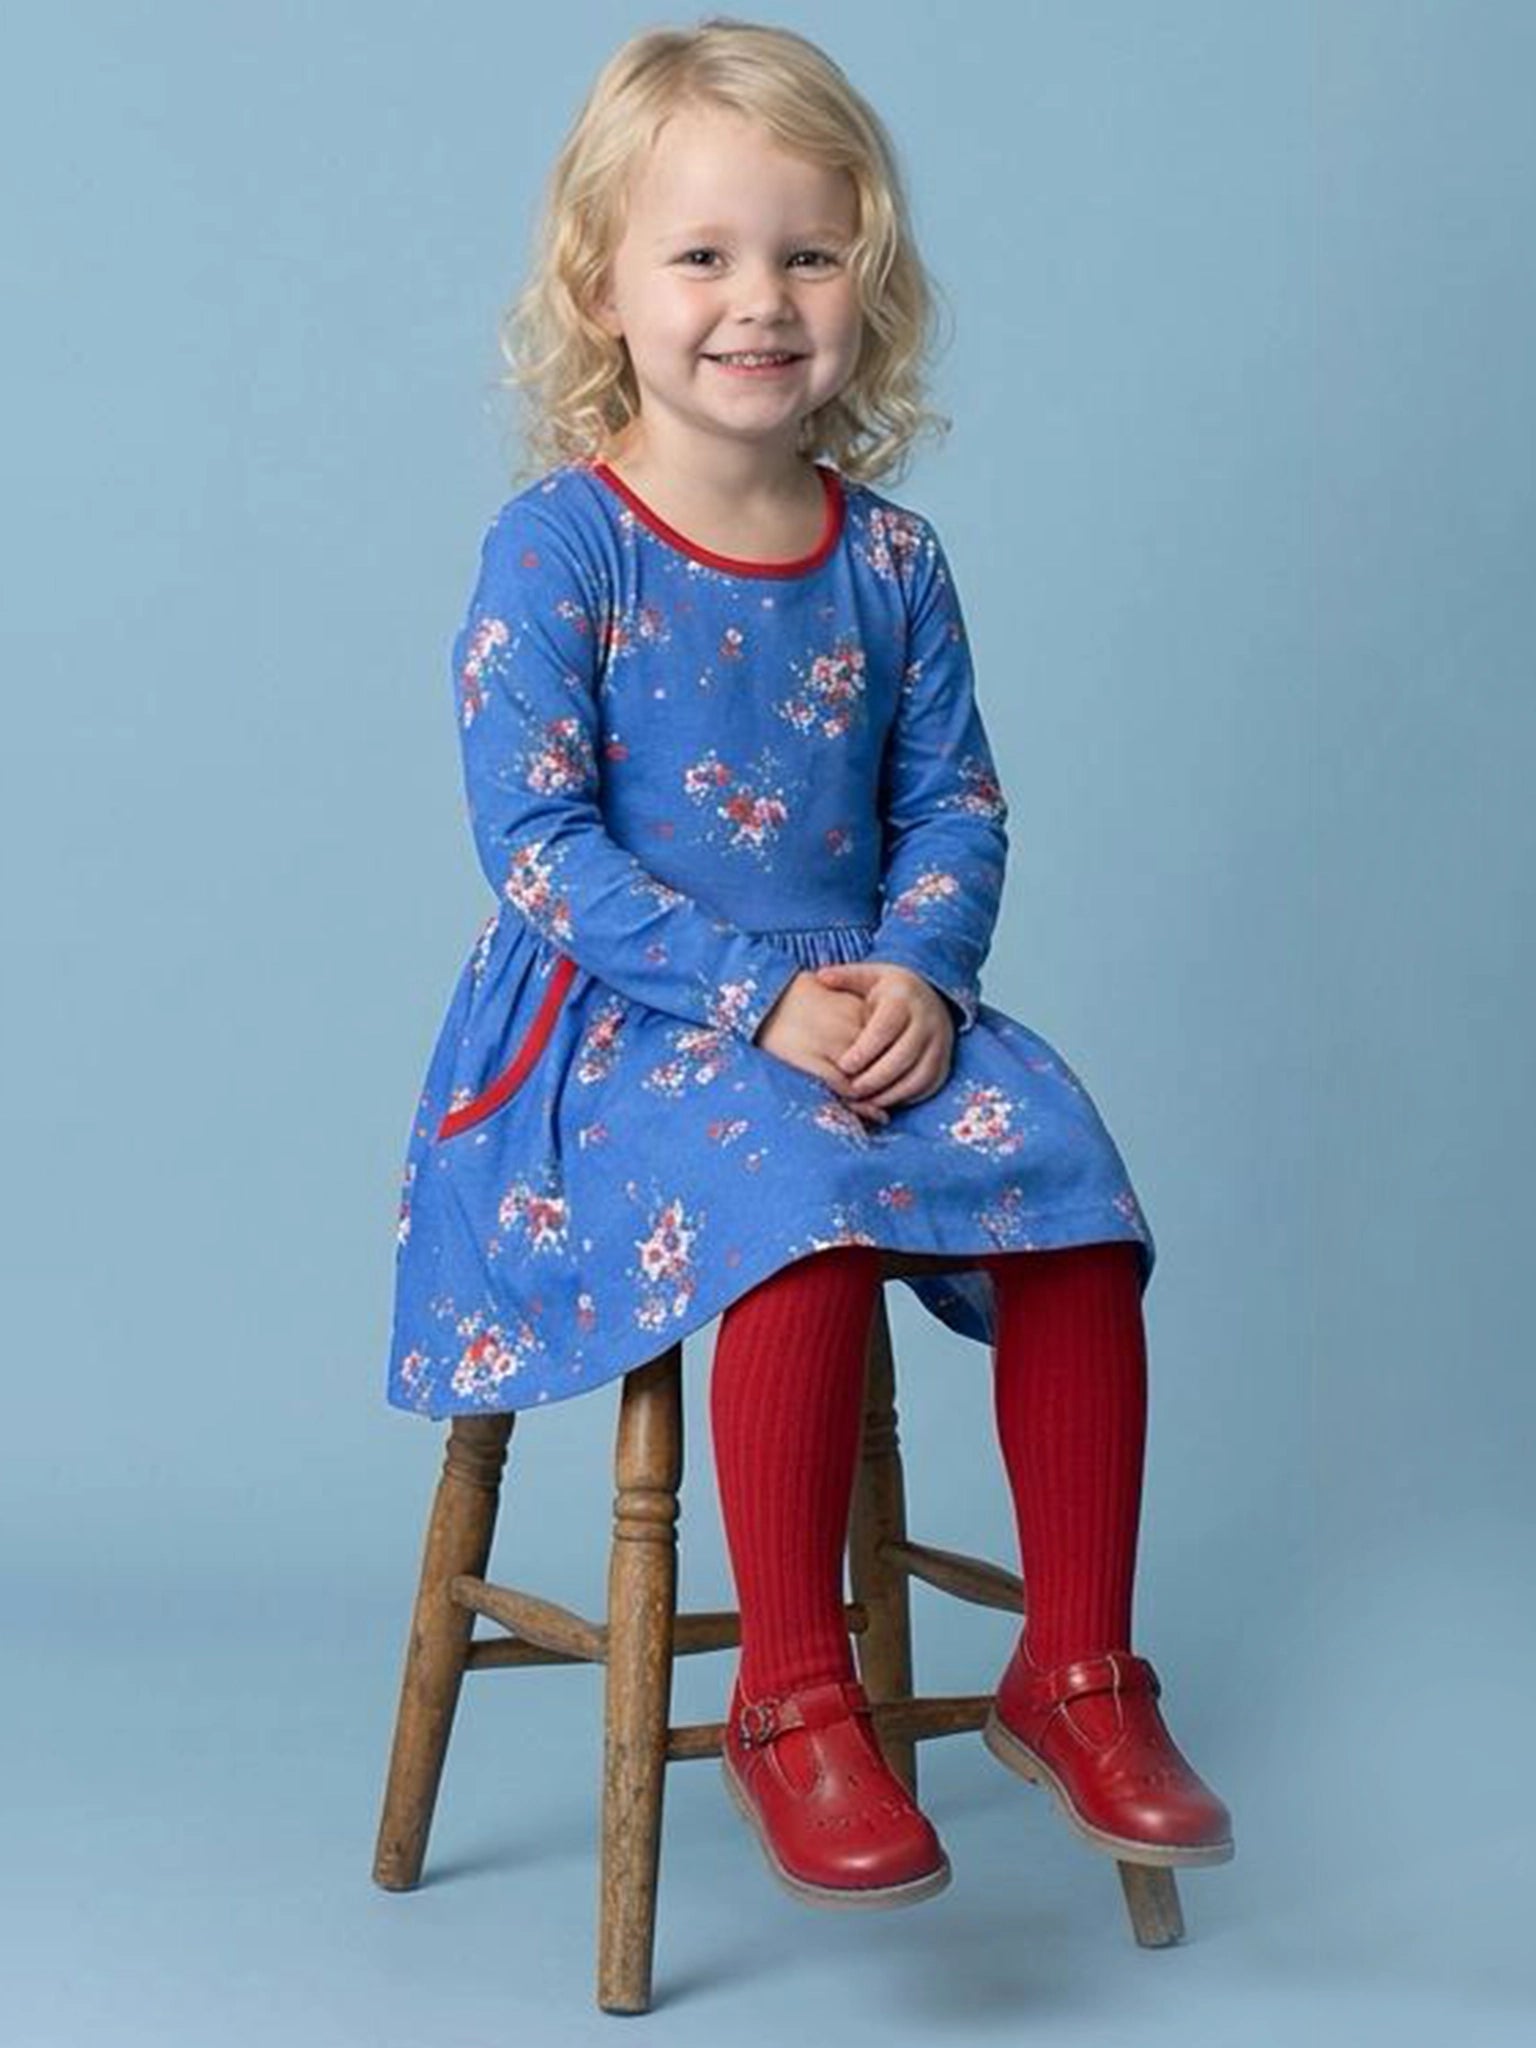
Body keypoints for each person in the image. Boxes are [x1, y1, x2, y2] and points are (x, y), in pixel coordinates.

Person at [384, 17, 1233, 1910]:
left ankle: (1076, 1665)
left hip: (862, 1002)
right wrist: (758, 996)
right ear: (603, 285)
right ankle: (791, 1696)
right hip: (621, 1034)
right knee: (801, 1185)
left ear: (873, 279)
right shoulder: (562, 550)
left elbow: (958, 808)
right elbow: (536, 843)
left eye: (809, 252)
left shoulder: (898, 561)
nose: (757, 301)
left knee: (1070, 1179)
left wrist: (923, 971)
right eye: (702, 255)